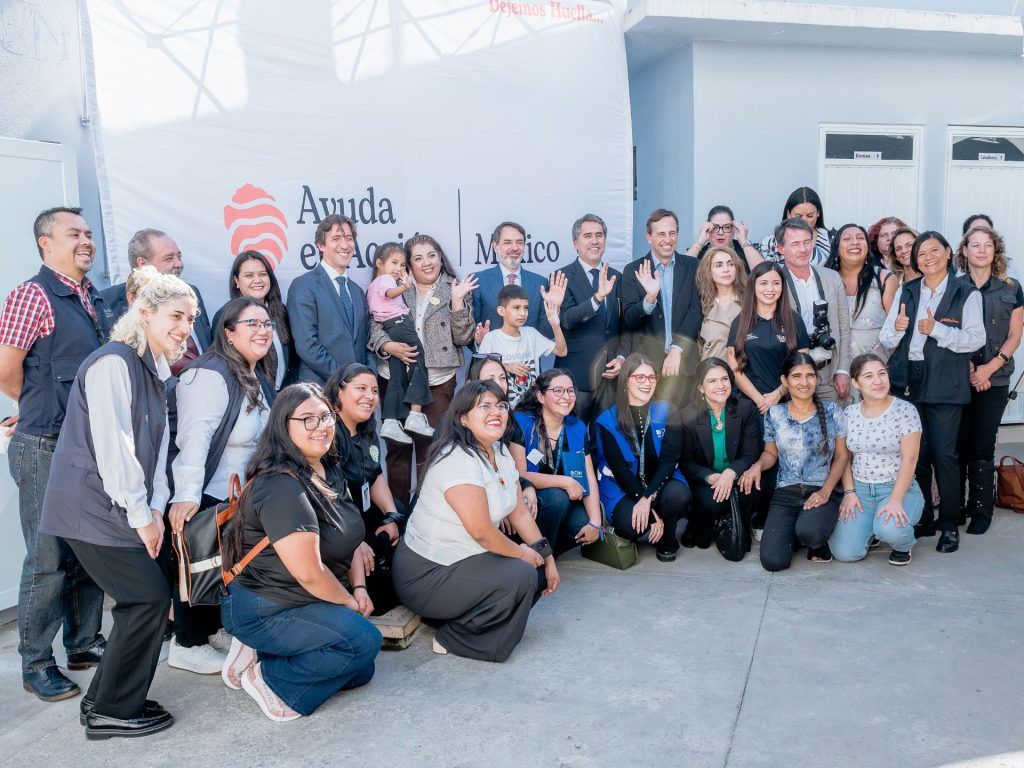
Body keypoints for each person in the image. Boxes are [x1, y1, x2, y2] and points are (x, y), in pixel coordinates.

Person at [39, 266, 197, 738]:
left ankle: (103, 702)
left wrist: (155, 509)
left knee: (142, 599)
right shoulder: (114, 362)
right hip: (89, 506)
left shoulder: (155, 369)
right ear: (144, 313)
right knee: (146, 598)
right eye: (175, 316)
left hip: (117, 505)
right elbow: (117, 447)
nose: (185, 327)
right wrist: (141, 514)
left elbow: (157, 451)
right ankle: (112, 710)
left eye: (190, 318)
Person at [219, 382, 381, 721]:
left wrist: (360, 586)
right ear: (283, 425)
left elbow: (350, 537)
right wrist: (348, 602)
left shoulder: (328, 468)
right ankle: (267, 679)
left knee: (361, 669)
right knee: (362, 642)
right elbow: (309, 572)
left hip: (305, 598)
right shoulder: (281, 486)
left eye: (325, 416)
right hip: (266, 605)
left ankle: (262, 652)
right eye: (307, 419)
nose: (321, 426)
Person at [0, 207, 110, 702]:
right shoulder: (32, 295)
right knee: (47, 559)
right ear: (45, 242)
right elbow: (6, 369)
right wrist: (35, 406)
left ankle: (83, 643)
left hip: (84, 444)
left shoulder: (91, 297)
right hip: (43, 443)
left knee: (86, 549)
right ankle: (37, 663)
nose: (85, 240)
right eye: (73, 234)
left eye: (87, 233)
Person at [392, 381, 559, 661]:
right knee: (522, 574)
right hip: (427, 573)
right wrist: (522, 553)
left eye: (501, 405)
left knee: (537, 569)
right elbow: (481, 531)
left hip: (465, 559)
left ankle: (464, 621)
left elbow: (519, 514)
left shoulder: (500, 452)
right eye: (485, 406)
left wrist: (548, 557)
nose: (496, 412)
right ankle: (456, 636)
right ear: (463, 418)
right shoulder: (457, 459)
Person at [167, 297, 274, 675]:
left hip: (242, 494)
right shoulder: (208, 375)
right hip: (209, 492)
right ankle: (187, 644)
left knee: (227, 570)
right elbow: (194, 438)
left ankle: (213, 632)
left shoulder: (253, 373)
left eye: (267, 324)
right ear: (228, 333)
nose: (263, 331)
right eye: (252, 324)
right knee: (201, 566)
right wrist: (187, 497)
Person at [880, 231, 985, 553]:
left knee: (944, 454)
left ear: (948, 252)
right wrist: (896, 328)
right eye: (921, 254)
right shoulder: (908, 290)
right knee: (918, 454)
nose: (928, 258)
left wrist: (937, 329)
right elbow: (886, 339)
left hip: (945, 381)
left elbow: (976, 339)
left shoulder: (965, 292)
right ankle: (924, 517)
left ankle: (949, 524)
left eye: (934, 251)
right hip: (908, 379)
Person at [369, 235, 476, 507]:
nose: (426, 263)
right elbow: (374, 324)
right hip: (395, 378)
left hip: (438, 380)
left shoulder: (455, 288)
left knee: (431, 450)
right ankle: (396, 514)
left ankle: (428, 514)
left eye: (431, 255)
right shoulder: (393, 285)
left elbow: (463, 338)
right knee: (397, 451)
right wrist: (388, 346)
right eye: (418, 258)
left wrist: (457, 303)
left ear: (440, 256)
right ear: (408, 264)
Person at [739, 353, 849, 571]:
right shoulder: (775, 413)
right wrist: (757, 466)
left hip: (821, 489)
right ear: (785, 381)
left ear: (817, 379)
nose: (804, 382)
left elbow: (842, 456)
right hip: (786, 492)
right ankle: (797, 529)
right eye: (797, 376)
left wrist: (826, 491)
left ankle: (811, 533)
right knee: (773, 561)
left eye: (810, 375)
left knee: (811, 533)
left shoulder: (833, 411)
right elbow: (770, 454)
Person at [955, 226, 1023, 535]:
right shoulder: (953, 286)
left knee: (982, 445)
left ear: (995, 251)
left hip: (996, 379)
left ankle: (981, 510)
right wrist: (972, 370)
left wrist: (988, 369)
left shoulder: (1011, 287)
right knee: (958, 444)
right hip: (959, 377)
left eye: (988, 245)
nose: (982, 250)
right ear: (964, 251)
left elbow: (1015, 335)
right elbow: (950, 331)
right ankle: (956, 507)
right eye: (975, 245)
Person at [324, 363, 408, 614]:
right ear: (339, 391)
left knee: (401, 510)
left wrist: (392, 517)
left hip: (363, 515)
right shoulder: (327, 435)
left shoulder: (367, 430)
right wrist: (354, 542)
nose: (370, 396)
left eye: (374, 390)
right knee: (382, 600)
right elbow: (327, 500)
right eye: (361, 388)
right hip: (337, 524)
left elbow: (375, 476)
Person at [593, 353, 691, 562]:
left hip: (659, 481)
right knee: (630, 526)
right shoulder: (607, 419)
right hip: (622, 485)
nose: (647, 383)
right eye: (640, 377)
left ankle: (667, 537)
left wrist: (647, 499)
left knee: (678, 495)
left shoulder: (668, 411)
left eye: (651, 377)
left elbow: (670, 461)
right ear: (625, 382)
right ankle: (653, 521)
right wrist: (646, 507)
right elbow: (619, 471)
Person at [830, 354, 925, 565]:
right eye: (869, 376)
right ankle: (872, 528)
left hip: (897, 488)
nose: (878, 381)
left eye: (882, 373)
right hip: (861, 492)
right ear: (856, 383)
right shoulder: (849, 414)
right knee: (844, 553)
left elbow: (910, 459)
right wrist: (849, 492)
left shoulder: (905, 411)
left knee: (889, 530)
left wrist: (896, 499)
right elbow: (844, 457)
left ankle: (903, 545)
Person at [510, 369, 602, 556]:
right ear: (541, 396)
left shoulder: (577, 427)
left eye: (570, 391)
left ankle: (545, 550)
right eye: (558, 391)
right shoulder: (522, 421)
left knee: (583, 525)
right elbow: (519, 474)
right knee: (557, 498)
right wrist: (565, 481)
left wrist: (595, 523)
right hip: (529, 498)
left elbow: (588, 477)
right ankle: (541, 555)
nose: (566, 396)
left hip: (564, 501)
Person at [679, 357, 761, 561]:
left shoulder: (745, 409)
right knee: (712, 505)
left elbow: (750, 453)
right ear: (701, 387)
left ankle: (735, 522)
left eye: (725, 379)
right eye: (712, 381)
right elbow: (686, 462)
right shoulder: (687, 416)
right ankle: (701, 522)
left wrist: (731, 473)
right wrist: (710, 477)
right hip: (706, 478)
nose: (721, 385)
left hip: (737, 474)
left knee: (751, 491)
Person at [101, 228, 213, 376]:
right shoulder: (107, 302)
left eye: (179, 256)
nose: (178, 264)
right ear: (142, 264)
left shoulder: (191, 292)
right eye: (169, 258)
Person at [620, 209, 703, 402]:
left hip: (685, 366)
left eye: (672, 233)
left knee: (685, 420)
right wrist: (649, 299)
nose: (667, 239)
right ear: (649, 237)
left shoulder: (693, 266)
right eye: (661, 234)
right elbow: (629, 319)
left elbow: (696, 311)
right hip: (647, 370)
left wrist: (677, 348)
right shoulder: (633, 270)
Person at [556, 214, 628, 423]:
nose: (595, 241)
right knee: (574, 436)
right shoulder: (561, 277)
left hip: (612, 379)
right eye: (587, 236)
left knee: (607, 437)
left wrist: (622, 357)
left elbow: (625, 327)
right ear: (575, 243)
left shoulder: (617, 277)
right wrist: (597, 299)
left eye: (599, 235)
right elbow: (567, 320)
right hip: (577, 379)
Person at [287, 214, 372, 385]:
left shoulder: (357, 291)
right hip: (321, 390)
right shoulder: (303, 286)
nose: (345, 245)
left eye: (349, 238)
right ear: (320, 245)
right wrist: (346, 380)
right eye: (336, 238)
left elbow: (368, 342)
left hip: (360, 391)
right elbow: (307, 345)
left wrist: (369, 375)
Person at [775, 217, 852, 403]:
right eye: (795, 244)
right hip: (790, 374)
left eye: (806, 242)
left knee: (833, 422)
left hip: (828, 373)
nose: (803, 249)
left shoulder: (832, 278)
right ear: (780, 248)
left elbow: (844, 326)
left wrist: (843, 370)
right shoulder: (774, 281)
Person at [365, 242, 434, 443]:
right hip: (399, 324)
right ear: (379, 263)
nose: (398, 268)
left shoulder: (371, 287)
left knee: (397, 373)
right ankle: (415, 414)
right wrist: (405, 285)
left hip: (389, 328)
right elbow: (390, 293)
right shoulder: (386, 280)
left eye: (402, 265)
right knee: (417, 359)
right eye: (394, 262)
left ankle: (390, 422)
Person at [727, 260, 809, 413]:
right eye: (763, 283)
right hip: (750, 404)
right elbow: (734, 366)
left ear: (782, 286)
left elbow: (802, 364)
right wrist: (760, 400)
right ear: (753, 286)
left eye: (776, 283)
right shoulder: (740, 322)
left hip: (788, 402)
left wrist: (778, 393)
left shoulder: (794, 320)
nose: (770, 289)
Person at [466, 352, 539, 519]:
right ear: (471, 383)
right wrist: (499, 506)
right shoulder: (456, 419)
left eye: (503, 378)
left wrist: (527, 485)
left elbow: (511, 469)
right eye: (490, 379)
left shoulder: (509, 418)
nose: (499, 385)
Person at [478, 279, 568, 406]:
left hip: (531, 405)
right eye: (516, 308)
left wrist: (555, 325)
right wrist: (507, 367)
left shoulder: (531, 334)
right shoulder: (491, 338)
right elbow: (480, 372)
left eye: (526, 308)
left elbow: (562, 351)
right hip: (501, 406)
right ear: (501, 311)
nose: (522, 313)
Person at [216, 250, 295, 390]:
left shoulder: (280, 310)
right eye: (249, 275)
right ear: (237, 281)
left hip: (284, 394)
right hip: (252, 394)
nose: (257, 280)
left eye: (262, 274)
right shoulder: (226, 315)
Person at [825, 223, 897, 363]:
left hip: (876, 368)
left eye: (860, 238)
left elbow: (895, 330)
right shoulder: (825, 280)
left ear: (867, 247)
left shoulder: (884, 279)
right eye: (847, 239)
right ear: (836, 248)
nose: (855, 242)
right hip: (835, 368)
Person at [471, 221, 551, 339]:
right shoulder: (478, 281)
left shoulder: (540, 283)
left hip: (529, 351)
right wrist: (479, 341)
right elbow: (472, 330)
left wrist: (555, 309)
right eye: (507, 242)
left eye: (519, 242)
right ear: (495, 246)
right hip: (492, 351)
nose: (515, 248)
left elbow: (547, 333)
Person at [695, 244, 747, 361]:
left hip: (745, 370)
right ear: (708, 271)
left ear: (737, 268)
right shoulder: (700, 306)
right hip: (711, 369)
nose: (726, 269)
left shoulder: (750, 302)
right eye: (719, 265)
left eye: (731, 264)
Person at [758, 187, 832, 266]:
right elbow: (762, 271)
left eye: (810, 216)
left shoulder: (831, 239)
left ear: (818, 213)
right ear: (788, 214)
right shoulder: (770, 243)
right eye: (798, 216)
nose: (804, 221)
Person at [685, 204, 763, 270]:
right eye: (715, 227)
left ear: (734, 229)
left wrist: (743, 241)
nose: (721, 232)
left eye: (727, 227)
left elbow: (763, 273)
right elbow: (682, 271)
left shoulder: (746, 251)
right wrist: (700, 242)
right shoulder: (698, 254)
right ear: (707, 229)